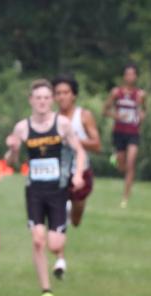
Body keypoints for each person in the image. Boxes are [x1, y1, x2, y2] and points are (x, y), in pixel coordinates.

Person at [6, 79, 86, 296]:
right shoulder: (22, 127)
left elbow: (79, 152)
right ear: (31, 101)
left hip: (58, 191)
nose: (42, 102)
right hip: (35, 191)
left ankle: (63, 223)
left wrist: (78, 174)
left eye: (46, 98)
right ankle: (46, 289)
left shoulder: (62, 125)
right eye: (38, 98)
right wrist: (13, 150)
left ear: (52, 100)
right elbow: (11, 162)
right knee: (38, 241)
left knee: (55, 245)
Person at [53, 74, 102, 262]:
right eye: (58, 93)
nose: (62, 97)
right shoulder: (51, 118)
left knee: (76, 220)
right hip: (58, 174)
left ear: (73, 95)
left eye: (66, 92)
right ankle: (60, 259)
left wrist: (73, 141)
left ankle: (73, 209)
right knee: (57, 216)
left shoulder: (84, 116)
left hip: (82, 172)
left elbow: (97, 145)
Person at [103, 63, 146, 208]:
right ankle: (114, 159)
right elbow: (105, 111)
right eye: (127, 74)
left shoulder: (140, 95)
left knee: (131, 163)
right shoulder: (116, 92)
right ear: (124, 76)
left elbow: (144, 111)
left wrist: (141, 116)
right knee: (122, 166)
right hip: (119, 132)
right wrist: (117, 116)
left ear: (136, 76)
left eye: (133, 74)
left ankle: (125, 198)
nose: (130, 77)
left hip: (133, 133)